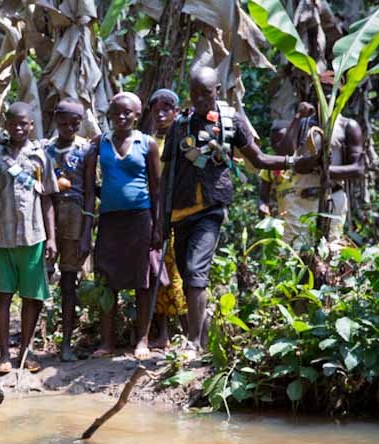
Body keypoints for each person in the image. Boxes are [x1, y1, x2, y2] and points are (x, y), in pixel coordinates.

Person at [160, 66, 316, 357]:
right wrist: (161, 222)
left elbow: (258, 159)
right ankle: (204, 344)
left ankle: (192, 343)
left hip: (211, 208)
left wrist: (293, 163)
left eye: (206, 93)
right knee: (188, 274)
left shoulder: (231, 120)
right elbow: (166, 175)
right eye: (194, 94)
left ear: (217, 90)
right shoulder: (180, 124)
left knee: (195, 271)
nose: (200, 99)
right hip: (180, 212)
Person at [0, 102, 58, 375]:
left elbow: (47, 199)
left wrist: (51, 238)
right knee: (3, 295)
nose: (18, 128)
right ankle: (4, 354)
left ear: (31, 125)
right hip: (1, 238)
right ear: (5, 125)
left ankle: (26, 352)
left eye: (24, 123)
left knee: (32, 296)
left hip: (33, 237)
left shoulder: (41, 157)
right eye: (13, 123)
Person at [81, 91, 161, 360]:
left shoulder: (147, 144)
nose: (121, 117)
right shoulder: (99, 143)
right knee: (107, 279)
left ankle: (142, 340)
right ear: (109, 116)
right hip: (109, 219)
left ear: (137, 115)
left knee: (142, 280)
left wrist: (158, 226)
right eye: (116, 112)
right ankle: (107, 341)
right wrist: (87, 228)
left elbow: (156, 188)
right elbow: (89, 189)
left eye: (127, 112)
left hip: (140, 218)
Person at [272, 98, 365, 246]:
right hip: (300, 200)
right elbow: (284, 153)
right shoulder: (303, 124)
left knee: (330, 249)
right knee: (294, 251)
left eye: (331, 89)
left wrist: (320, 169)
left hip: (332, 199)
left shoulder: (347, 125)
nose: (327, 94)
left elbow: (357, 169)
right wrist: (298, 117)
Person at [44, 99, 92, 362]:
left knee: (69, 281)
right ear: (55, 120)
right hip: (47, 214)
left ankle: (66, 343)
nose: (69, 127)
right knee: (41, 276)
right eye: (64, 122)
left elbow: (90, 191)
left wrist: (87, 232)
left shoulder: (86, 149)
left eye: (75, 123)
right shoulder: (44, 149)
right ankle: (32, 340)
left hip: (75, 215)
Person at [146, 88, 188, 349]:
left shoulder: (184, 140)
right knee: (157, 273)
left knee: (179, 273)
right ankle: (163, 333)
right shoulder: (148, 142)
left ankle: (190, 331)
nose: (161, 114)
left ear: (176, 111)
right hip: (154, 216)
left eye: (167, 109)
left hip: (179, 214)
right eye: (156, 110)